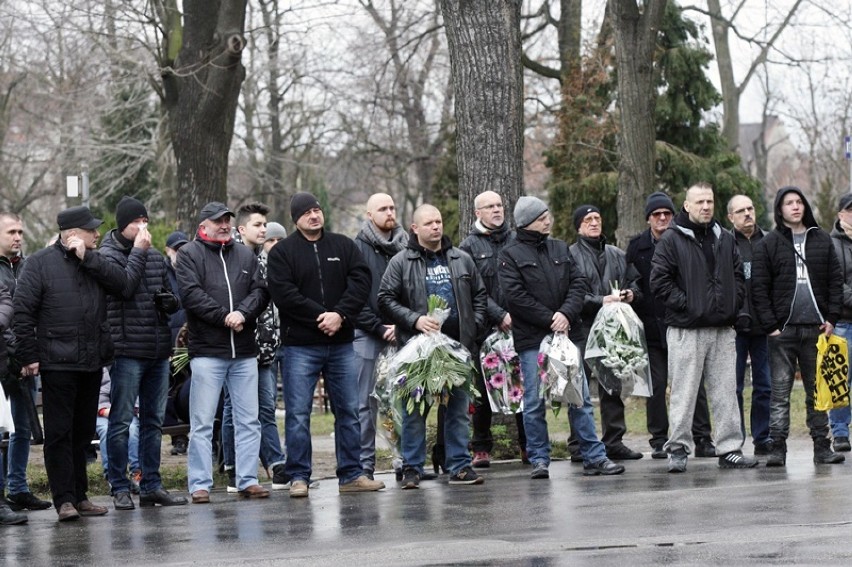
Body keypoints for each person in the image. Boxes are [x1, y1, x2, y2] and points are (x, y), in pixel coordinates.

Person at [267, 192, 385, 497]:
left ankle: (351, 474)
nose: (314, 216)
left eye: (317, 210)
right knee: (297, 413)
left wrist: (340, 315)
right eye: (307, 212)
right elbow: (284, 294)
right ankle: (298, 477)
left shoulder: (343, 246)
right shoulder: (283, 253)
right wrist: (321, 316)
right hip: (300, 346)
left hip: (342, 343)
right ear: (296, 218)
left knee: (348, 410)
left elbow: (361, 281)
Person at [13, 206, 126, 521]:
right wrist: (29, 355)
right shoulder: (38, 264)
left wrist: (88, 258)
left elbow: (123, 286)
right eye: (92, 230)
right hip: (57, 363)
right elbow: (23, 313)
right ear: (73, 233)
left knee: (83, 432)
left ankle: (81, 496)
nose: (98, 234)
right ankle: (63, 500)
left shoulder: (94, 260)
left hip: (92, 362)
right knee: (60, 434)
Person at [499, 196, 624, 480]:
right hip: (533, 339)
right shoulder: (510, 255)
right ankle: (540, 459)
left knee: (578, 397)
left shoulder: (558, 248)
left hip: (568, 334)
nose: (548, 220)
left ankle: (594, 456)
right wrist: (549, 319)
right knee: (533, 401)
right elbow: (515, 297)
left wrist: (565, 314)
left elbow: (578, 283)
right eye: (543, 216)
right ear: (529, 221)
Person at [650, 182, 757, 473]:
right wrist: (690, 304)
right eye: (699, 202)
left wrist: (733, 305)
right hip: (687, 330)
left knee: (725, 392)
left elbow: (737, 274)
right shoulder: (671, 239)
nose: (706, 207)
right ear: (686, 205)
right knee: (684, 393)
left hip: (723, 329)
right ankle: (678, 449)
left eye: (709, 201)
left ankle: (729, 449)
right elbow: (659, 282)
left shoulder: (724, 236)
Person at [378, 204, 488, 488]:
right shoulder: (401, 261)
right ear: (414, 228)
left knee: (458, 412)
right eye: (429, 223)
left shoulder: (460, 258)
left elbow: (479, 296)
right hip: (417, 350)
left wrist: (473, 327)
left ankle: (460, 467)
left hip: (457, 349)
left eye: (439, 221)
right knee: (415, 413)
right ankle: (413, 469)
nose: (436, 227)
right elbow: (385, 298)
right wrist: (415, 320)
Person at [176, 201, 270, 503]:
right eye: (218, 220)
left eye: (228, 219)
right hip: (207, 352)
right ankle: (200, 484)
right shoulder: (190, 254)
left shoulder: (245, 253)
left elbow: (260, 291)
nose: (225, 224)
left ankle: (247, 479)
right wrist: (223, 317)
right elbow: (191, 295)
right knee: (202, 422)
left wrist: (242, 313)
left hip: (243, 352)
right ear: (203, 225)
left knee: (248, 420)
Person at [100, 196, 187, 510]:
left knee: (153, 422)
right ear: (123, 224)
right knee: (122, 421)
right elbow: (124, 287)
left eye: (145, 222)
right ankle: (119, 486)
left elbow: (170, 293)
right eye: (136, 222)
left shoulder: (154, 256)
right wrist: (138, 251)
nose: (142, 228)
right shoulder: (107, 255)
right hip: (125, 351)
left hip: (157, 347)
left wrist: (169, 303)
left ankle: (151, 484)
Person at [752, 186, 845, 467]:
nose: (795, 207)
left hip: (816, 330)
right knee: (779, 392)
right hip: (783, 332)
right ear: (779, 210)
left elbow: (834, 282)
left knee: (817, 392)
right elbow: (759, 287)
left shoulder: (822, 240)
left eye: (799, 202)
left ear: (805, 206)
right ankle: (777, 447)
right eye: (788, 203)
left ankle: (822, 446)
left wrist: (831, 318)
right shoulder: (769, 243)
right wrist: (771, 326)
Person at [626, 193, 715, 459]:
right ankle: (659, 438)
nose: (663, 218)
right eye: (657, 215)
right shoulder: (637, 246)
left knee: (693, 383)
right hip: (651, 328)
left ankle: (702, 437)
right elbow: (633, 282)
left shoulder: (685, 239)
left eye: (667, 213)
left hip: (684, 323)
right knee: (655, 385)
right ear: (648, 219)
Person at [219, 202, 287, 493]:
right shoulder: (231, 257)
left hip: (267, 349)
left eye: (265, 225)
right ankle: (234, 467)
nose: (264, 230)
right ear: (241, 228)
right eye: (259, 225)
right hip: (239, 348)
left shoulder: (265, 260)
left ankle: (275, 465)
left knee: (266, 408)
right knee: (236, 409)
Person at [458, 190, 527, 468]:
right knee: (484, 388)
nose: (497, 210)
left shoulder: (517, 240)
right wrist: (498, 314)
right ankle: (482, 447)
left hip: (519, 325)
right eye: (490, 207)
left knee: (522, 386)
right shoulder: (468, 247)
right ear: (478, 213)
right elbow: (473, 289)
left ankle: (528, 444)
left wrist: (515, 314)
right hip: (485, 328)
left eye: (499, 205)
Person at [568, 204, 643, 461]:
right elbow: (572, 294)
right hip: (582, 327)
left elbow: (634, 282)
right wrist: (600, 300)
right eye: (588, 219)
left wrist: (630, 294)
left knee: (612, 385)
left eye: (597, 218)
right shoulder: (570, 255)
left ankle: (614, 440)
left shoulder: (617, 254)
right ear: (578, 226)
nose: (594, 223)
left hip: (612, 329)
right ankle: (578, 444)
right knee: (579, 387)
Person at [0, 212, 51, 515]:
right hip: (4, 361)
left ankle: (17, 488)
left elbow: (35, 313)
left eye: (20, 231)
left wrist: (30, 355)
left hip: (26, 361)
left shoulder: (30, 265)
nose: (18, 237)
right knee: (2, 430)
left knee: (22, 428)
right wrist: (14, 357)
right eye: (11, 232)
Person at [353, 193, 407, 478]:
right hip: (367, 334)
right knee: (365, 403)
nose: (389, 212)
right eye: (382, 209)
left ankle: (405, 460)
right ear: (369, 215)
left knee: (402, 399)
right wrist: (378, 327)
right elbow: (353, 298)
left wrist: (403, 325)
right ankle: (364, 465)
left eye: (392, 207)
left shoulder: (407, 245)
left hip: (403, 335)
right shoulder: (356, 248)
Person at [726, 195, 772, 456]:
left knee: (764, 386)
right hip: (734, 328)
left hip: (764, 328)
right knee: (734, 388)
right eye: (740, 211)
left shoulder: (768, 241)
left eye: (750, 209)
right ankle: (735, 440)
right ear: (731, 217)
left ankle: (762, 437)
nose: (747, 214)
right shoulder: (724, 244)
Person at [163, 230, 189, 456]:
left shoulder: (193, 270)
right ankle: (177, 437)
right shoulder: (162, 271)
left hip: (190, 343)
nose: (180, 254)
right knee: (169, 391)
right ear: (168, 251)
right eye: (176, 250)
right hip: (169, 341)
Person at [829, 194, 852, 453]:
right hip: (843, 322)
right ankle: (840, 431)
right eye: (850, 210)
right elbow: (835, 283)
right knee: (840, 381)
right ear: (840, 214)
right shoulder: (831, 244)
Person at [95, 368, 140, 489]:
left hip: (127, 412)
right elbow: (95, 393)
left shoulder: (131, 367)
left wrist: (131, 409)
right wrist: (104, 410)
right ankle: (110, 473)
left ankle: (137, 472)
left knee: (133, 429)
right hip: (101, 413)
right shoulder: (102, 368)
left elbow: (136, 393)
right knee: (106, 430)